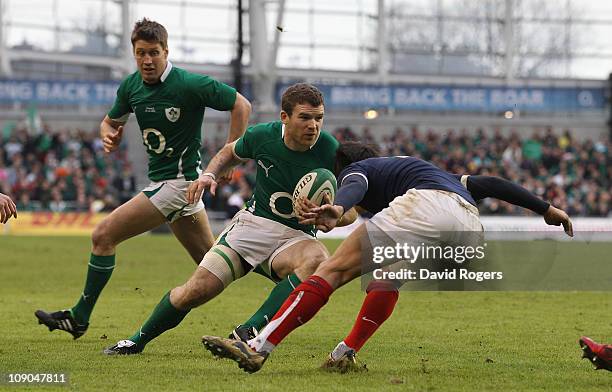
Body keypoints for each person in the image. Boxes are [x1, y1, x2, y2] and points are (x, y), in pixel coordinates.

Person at [201, 141, 573, 373]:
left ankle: (256, 347)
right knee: (386, 278)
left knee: (332, 270)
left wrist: (337, 205)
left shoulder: (358, 169)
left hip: (426, 208)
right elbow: (491, 184)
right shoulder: (432, 172)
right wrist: (545, 208)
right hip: (469, 231)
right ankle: (344, 353)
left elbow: (355, 184)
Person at [35, 18, 251, 339]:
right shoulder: (131, 86)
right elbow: (108, 122)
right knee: (215, 265)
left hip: (177, 185)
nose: (147, 60)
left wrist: (230, 154)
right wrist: (109, 135)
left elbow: (241, 105)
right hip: (176, 189)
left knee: (103, 236)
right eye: (140, 53)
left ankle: (79, 317)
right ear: (134, 53)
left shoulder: (189, 84)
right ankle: (281, 275)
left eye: (153, 53)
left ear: (166, 51)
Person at [102, 83, 356, 355]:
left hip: (296, 238)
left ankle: (249, 330)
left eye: (319, 118)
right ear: (285, 117)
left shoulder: (331, 150)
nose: (313, 126)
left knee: (318, 259)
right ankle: (136, 340)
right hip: (253, 226)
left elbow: (352, 211)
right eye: (305, 117)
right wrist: (209, 174)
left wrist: (333, 216)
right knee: (195, 291)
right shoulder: (262, 136)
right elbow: (229, 153)